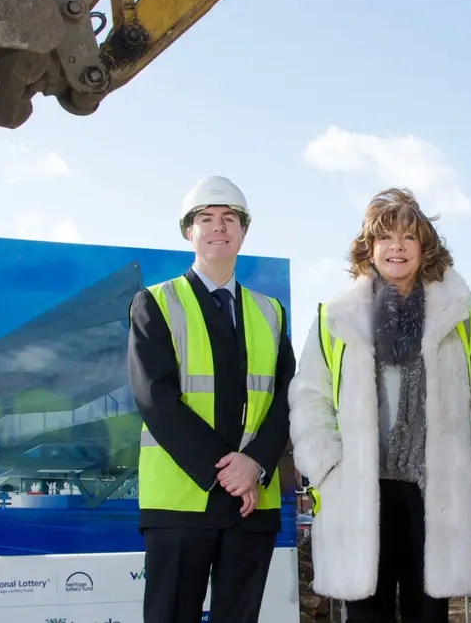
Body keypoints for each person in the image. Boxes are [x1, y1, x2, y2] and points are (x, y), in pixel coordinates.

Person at [289, 188, 471, 623]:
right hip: (359, 489)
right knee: (367, 616)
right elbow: (310, 398)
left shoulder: (461, 316)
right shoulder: (335, 317)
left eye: (408, 237)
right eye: (385, 237)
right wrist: (327, 465)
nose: (397, 247)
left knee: (428, 615)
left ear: (424, 246)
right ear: (368, 248)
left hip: (438, 493)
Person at [128, 175, 294, 623]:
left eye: (229, 219)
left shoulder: (270, 311)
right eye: (206, 218)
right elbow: (155, 399)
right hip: (182, 502)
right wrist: (230, 469)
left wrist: (255, 463)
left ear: (243, 231)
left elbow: (286, 400)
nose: (219, 227)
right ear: (189, 231)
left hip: (252, 500)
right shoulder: (156, 302)